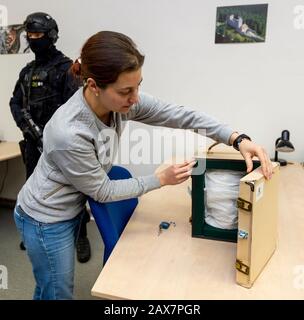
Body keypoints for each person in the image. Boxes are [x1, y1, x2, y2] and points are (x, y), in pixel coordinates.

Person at [13, 30, 273, 300]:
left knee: (48, 286)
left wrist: (236, 139)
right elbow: (102, 191)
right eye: (126, 90)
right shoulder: (69, 132)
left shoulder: (119, 103)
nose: (135, 97)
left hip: (72, 203)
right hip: (44, 217)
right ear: (93, 86)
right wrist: (159, 178)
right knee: (56, 292)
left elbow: (180, 115)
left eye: (138, 86)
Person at [9, 12, 91, 263]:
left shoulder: (67, 69)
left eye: (38, 35)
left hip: (61, 145)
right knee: (34, 189)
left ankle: (80, 236)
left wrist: (57, 137)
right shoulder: (27, 71)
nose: (33, 40)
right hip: (34, 143)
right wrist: (26, 127)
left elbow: (77, 110)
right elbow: (15, 102)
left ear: (51, 36)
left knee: (73, 189)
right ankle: (34, 230)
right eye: (29, 36)